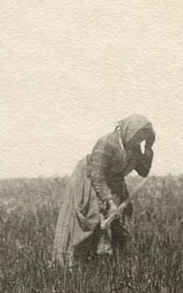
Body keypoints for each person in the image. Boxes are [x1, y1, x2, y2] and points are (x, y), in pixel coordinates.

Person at [52, 114, 155, 267]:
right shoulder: (106, 143)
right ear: (128, 131)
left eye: (142, 138)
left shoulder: (134, 148)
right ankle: (78, 264)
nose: (138, 141)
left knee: (117, 221)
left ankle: (109, 263)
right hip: (89, 180)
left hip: (113, 182)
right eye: (137, 137)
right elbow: (97, 175)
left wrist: (148, 149)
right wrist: (109, 201)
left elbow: (144, 171)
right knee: (93, 218)